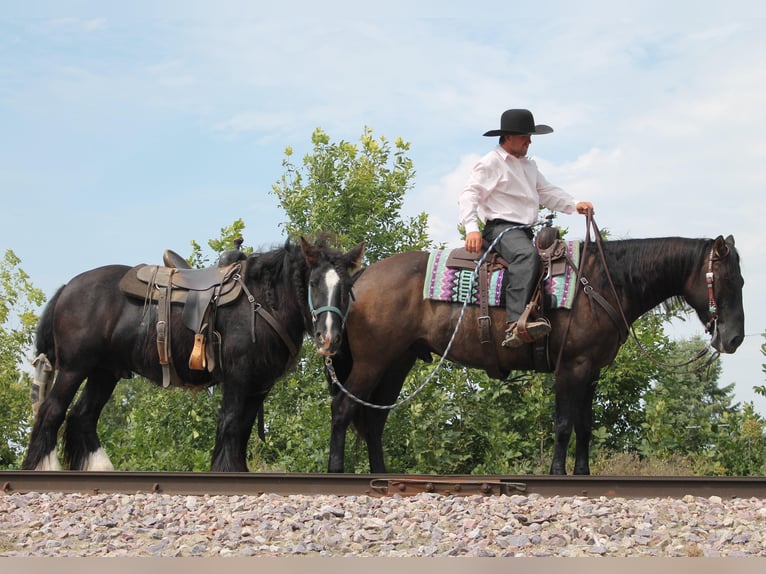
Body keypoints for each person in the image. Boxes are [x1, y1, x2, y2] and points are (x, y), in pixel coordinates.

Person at [459, 108, 594, 348]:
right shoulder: (491, 163)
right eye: (525, 136)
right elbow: (470, 194)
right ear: (508, 137)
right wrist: (471, 228)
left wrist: (575, 205)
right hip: (500, 229)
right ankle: (514, 324)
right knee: (526, 256)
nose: (530, 141)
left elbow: (547, 192)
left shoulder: (529, 167)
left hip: (522, 231)